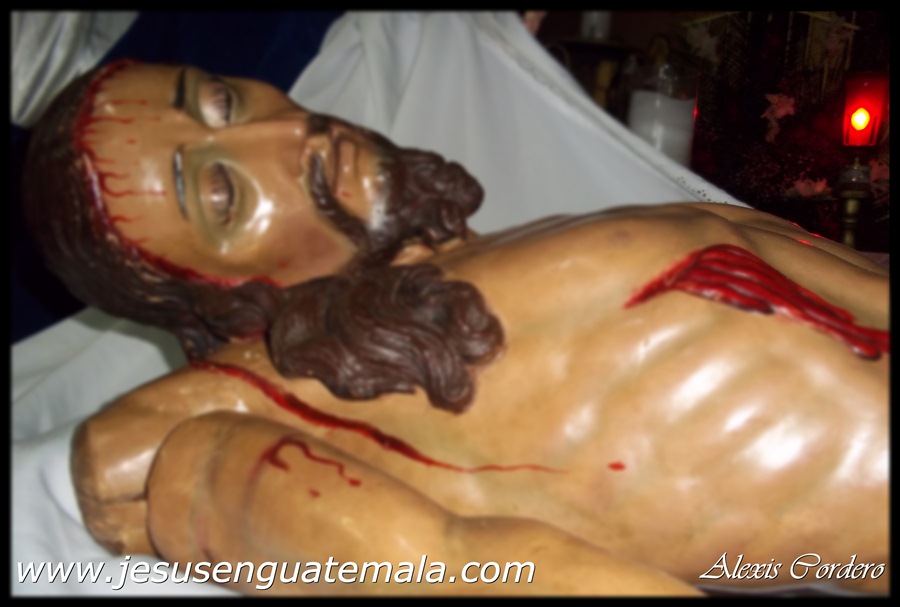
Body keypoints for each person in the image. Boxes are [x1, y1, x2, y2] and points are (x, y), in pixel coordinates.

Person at [23, 60, 889, 595]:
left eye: (222, 101)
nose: (289, 133)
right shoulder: (264, 410)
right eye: (222, 192)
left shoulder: (480, 266)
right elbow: (119, 456)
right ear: (219, 299)